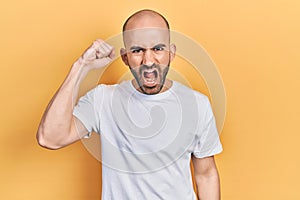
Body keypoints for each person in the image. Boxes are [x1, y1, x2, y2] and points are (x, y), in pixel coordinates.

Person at [37, 9, 222, 200]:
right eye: (137, 51)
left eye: (157, 49)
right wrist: (81, 66)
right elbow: (49, 138)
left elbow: (206, 175)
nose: (148, 61)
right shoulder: (103, 100)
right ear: (125, 57)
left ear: (171, 53)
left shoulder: (197, 104)